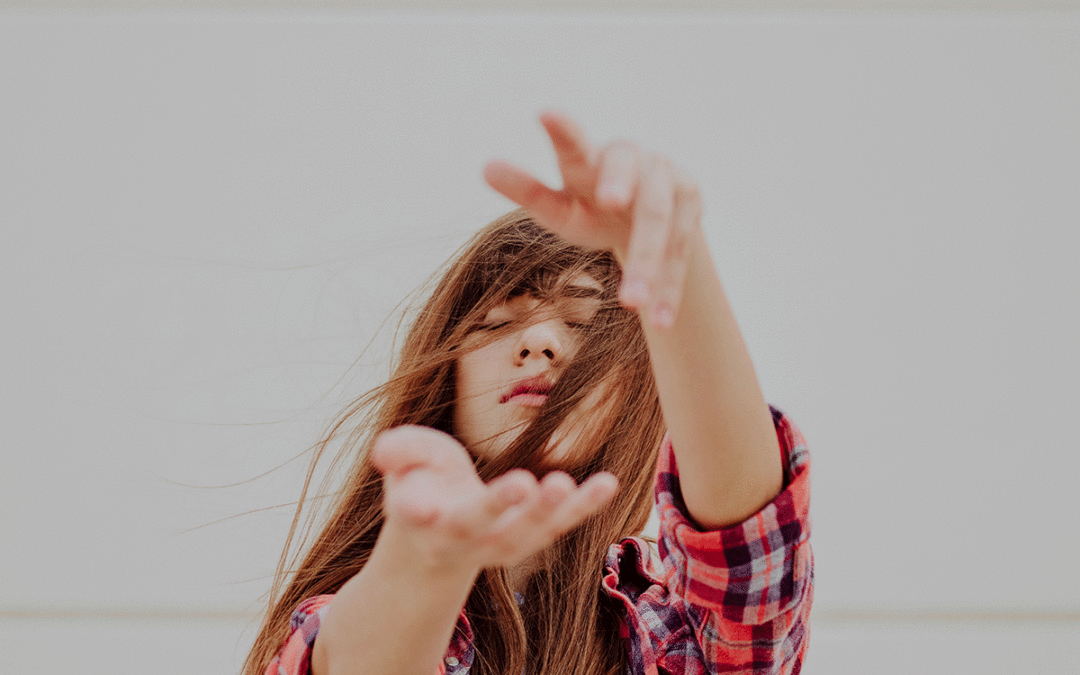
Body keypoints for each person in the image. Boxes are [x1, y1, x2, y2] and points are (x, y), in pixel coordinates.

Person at [243, 113, 813, 675]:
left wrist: (673, 263)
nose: (538, 341)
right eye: (494, 323)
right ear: (445, 383)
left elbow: (749, 543)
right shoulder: (355, 617)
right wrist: (426, 563)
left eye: (583, 322)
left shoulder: (671, 640)